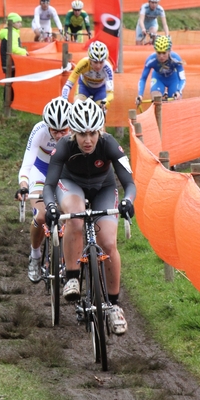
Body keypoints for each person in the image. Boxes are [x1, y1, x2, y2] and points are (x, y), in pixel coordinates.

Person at [43, 98, 136, 334]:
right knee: (75, 217)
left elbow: (128, 182)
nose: (88, 140)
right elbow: (49, 184)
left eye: (93, 133)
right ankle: (72, 276)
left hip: (103, 188)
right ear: (73, 132)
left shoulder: (110, 144)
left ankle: (114, 306)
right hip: (70, 184)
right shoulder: (64, 146)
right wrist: (52, 206)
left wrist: (127, 201)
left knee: (108, 243)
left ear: (100, 131)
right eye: (82, 134)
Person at [16, 97, 71, 282]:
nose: (59, 135)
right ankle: (35, 255)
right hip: (41, 173)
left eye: (64, 130)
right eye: (54, 130)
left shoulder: (77, 131)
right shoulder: (39, 130)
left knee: (69, 215)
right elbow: (27, 165)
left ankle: (68, 259)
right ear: (47, 125)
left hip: (65, 174)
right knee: (41, 216)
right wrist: (23, 186)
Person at [136, 36, 185, 106]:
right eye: (159, 53)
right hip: (158, 79)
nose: (161, 56)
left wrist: (178, 91)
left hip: (173, 80)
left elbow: (182, 79)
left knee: (175, 101)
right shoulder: (150, 60)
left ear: (169, 51)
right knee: (156, 100)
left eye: (164, 53)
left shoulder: (176, 58)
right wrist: (140, 95)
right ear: (155, 51)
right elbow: (143, 79)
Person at [62, 41, 113, 107]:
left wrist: (105, 102)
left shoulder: (107, 68)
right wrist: (64, 98)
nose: (98, 66)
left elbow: (110, 93)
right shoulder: (83, 63)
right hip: (84, 87)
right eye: (95, 62)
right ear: (90, 60)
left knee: (100, 111)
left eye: (101, 62)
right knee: (78, 106)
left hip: (100, 89)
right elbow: (68, 84)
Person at [0, 12, 28, 101]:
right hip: (10, 62)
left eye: (20, 22)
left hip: (9, 62)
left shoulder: (12, 32)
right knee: (9, 84)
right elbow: (13, 48)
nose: (20, 24)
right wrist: (24, 52)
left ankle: (9, 102)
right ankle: (8, 103)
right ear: (13, 23)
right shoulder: (11, 33)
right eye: (18, 22)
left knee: (10, 83)